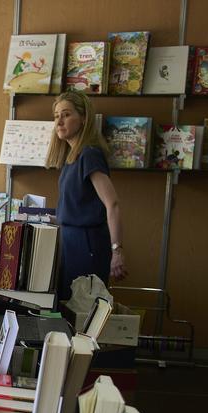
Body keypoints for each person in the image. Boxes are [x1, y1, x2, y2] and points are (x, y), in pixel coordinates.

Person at [45, 91, 127, 300]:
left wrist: (117, 251)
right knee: (68, 307)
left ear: (83, 118)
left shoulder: (89, 154)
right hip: (69, 241)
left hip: (87, 244)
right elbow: (76, 207)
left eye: (66, 114)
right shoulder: (71, 158)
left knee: (83, 312)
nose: (59, 121)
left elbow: (113, 204)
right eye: (56, 116)